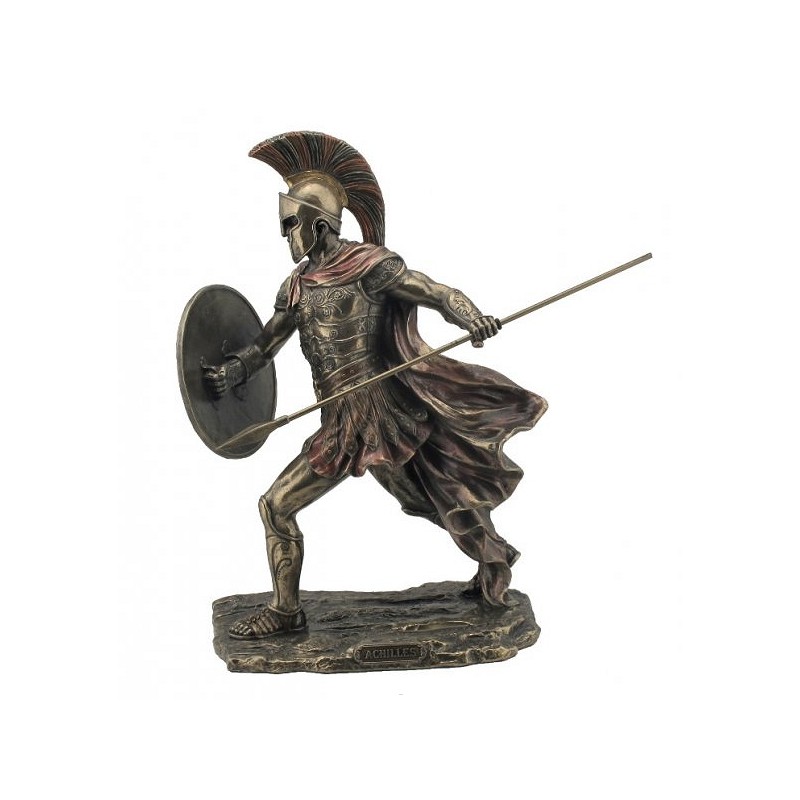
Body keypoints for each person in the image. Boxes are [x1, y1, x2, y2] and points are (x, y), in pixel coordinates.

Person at [204, 132, 547, 639]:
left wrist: (471, 317)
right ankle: (287, 610)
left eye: (290, 224)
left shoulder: (369, 266)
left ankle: (490, 559)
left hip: (384, 414)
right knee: (292, 506)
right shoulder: (296, 286)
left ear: (317, 223)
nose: (285, 236)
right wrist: (232, 373)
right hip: (339, 423)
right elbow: (265, 345)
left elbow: (436, 292)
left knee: (430, 497)